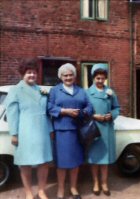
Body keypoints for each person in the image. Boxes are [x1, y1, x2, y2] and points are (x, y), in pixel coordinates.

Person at [5, 58, 53, 199]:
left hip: (42, 131)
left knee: (43, 163)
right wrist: (14, 134)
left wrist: (50, 129)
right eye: (28, 73)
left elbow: (47, 113)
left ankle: (42, 190)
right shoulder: (16, 90)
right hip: (25, 132)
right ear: (23, 74)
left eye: (34, 73)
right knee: (25, 164)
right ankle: (28, 192)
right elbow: (12, 114)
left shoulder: (41, 90)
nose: (32, 75)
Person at [47, 63, 93, 199]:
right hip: (62, 131)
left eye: (70, 74)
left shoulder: (81, 91)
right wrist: (64, 111)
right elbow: (49, 107)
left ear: (74, 76)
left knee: (75, 161)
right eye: (65, 75)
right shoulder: (55, 91)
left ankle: (73, 188)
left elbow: (89, 106)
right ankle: (60, 189)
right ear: (60, 77)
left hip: (78, 131)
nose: (68, 77)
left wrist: (84, 112)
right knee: (62, 163)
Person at [86, 63, 120, 196]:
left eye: (102, 78)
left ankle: (104, 183)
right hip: (93, 129)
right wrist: (93, 116)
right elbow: (83, 110)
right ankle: (95, 183)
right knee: (95, 159)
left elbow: (117, 108)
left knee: (104, 160)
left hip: (106, 128)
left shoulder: (110, 92)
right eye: (97, 78)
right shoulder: (87, 93)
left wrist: (111, 115)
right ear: (93, 79)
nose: (100, 81)